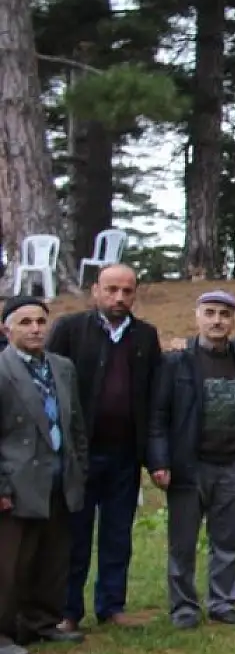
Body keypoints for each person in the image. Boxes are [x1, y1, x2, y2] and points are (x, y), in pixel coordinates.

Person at [48, 262, 161, 631]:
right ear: (95, 290)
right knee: (75, 535)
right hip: (80, 454)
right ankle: (67, 611)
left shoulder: (145, 336)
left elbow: (153, 396)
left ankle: (112, 606)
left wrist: (152, 454)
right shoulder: (70, 330)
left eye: (127, 291)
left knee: (117, 534)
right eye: (112, 289)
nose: (119, 297)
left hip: (125, 454)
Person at [150, 291, 235, 629]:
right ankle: (183, 607)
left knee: (226, 540)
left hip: (232, 462)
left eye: (224, 314)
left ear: (233, 320)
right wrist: (159, 462)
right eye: (209, 313)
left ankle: (222, 602)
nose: (217, 320)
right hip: (189, 464)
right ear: (197, 316)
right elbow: (159, 415)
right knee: (183, 542)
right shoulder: (176, 361)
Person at [0, 295, 88, 654]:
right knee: (10, 563)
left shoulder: (61, 367)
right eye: (25, 322)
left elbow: (76, 424)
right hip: (16, 481)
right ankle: (3, 632)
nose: (35, 329)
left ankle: (43, 621)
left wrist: (79, 468)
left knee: (53, 556)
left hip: (58, 476)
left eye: (40, 321)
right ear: (6, 329)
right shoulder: (3, 370)